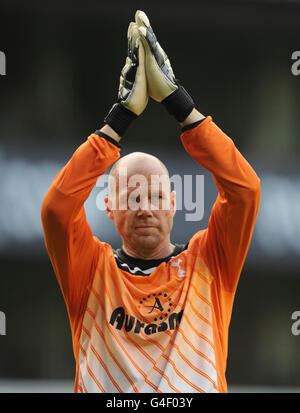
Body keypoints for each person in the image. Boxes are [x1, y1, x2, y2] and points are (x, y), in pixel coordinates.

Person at [41, 11, 261, 393]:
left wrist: (179, 103)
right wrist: (119, 119)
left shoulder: (209, 262)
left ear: (174, 203)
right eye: (133, 196)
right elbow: (56, 209)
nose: (145, 207)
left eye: (157, 195)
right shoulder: (90, 270)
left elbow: (245, 190)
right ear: (109, 207)